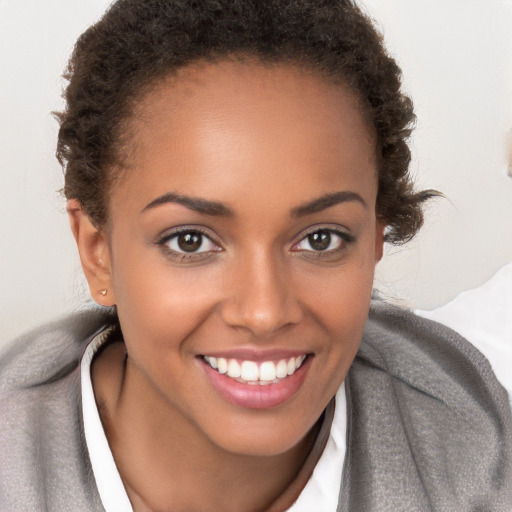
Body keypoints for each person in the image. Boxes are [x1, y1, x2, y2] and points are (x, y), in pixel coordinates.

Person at [0, 1, 510, 511]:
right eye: (191, 241)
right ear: (98, 253)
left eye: (320, 239)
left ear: (375, 238)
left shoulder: (477, 439)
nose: (264, 313)